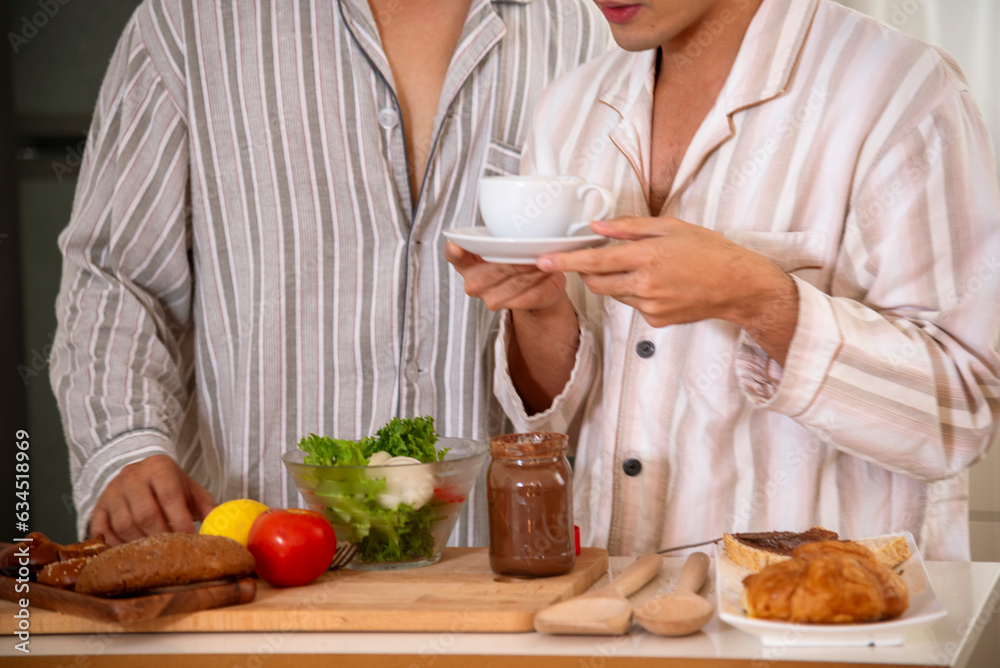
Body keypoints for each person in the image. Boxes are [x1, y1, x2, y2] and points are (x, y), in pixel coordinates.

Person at [446, 0, 1000, 560]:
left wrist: (760, 300)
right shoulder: (570, 107)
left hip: (818, 625)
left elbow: (961, 415)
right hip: (610, 609)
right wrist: (540, 307)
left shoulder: (898, 90)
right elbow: (564, 416)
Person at [50, 0, 609, 545]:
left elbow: (611, 330)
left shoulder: (594, 29)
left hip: (499, 569)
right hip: (258, 554)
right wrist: (127, 446)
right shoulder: (190, 21)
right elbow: (115, 275)